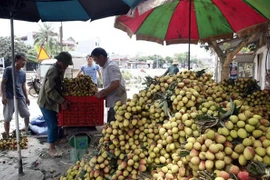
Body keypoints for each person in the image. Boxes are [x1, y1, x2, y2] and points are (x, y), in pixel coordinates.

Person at [37, 51, 73, 157]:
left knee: (55, 124)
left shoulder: (59, 69)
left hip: (52, 102)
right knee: (52, 125)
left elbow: (59, 84)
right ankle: (51, 149)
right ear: (60, 62)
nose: (67, 66)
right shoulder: (53, 70)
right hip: (46, 103)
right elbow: (50, 90)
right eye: (66, 64)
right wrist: (62, 101)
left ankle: (55, 140)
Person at [91, 48, 127, 123]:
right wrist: (104, 93)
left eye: (95, 60)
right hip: (112, 101)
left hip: (117, 102)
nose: (96, 63)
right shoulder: (104, 67)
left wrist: (102, 91)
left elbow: (115, 83)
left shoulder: (111, 66)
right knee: (111, 125)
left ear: (101, 57)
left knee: (114, 125)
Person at [1, 53, 30, 138]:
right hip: (9, 97)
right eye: (23, 60)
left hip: (20, 97)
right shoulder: (8, 70)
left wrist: (27, 97)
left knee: (26, 114)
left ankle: (26, 130)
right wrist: (3, 96)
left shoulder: (23, 73)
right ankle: (7, 135)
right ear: (17, 60)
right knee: (7, 117)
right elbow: (3, 84)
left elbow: (23, 85)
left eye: (25, 60)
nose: (24, 62)